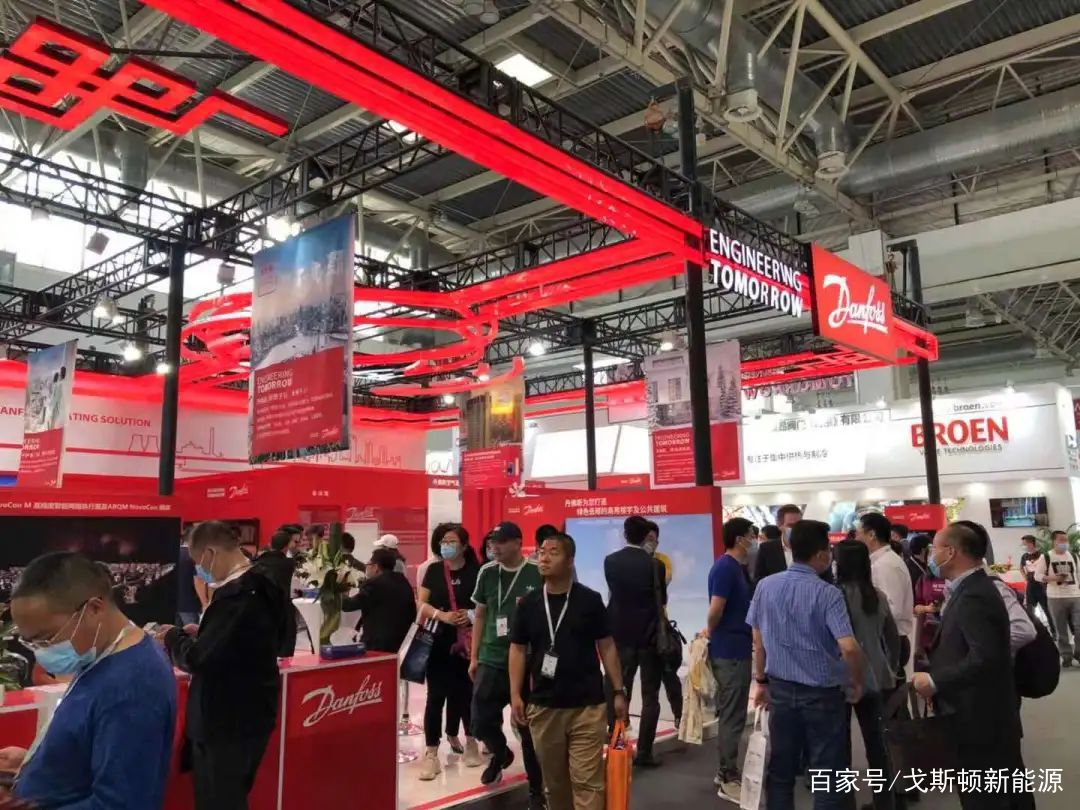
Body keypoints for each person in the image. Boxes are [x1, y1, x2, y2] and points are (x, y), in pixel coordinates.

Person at [4, 552, 176, 809]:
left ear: (94, 609)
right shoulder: (103, 655)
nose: (41, 652)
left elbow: (120, 804)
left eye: (47, 638)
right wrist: (37, 760)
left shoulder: (132, 686)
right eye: (31, 642)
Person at [159, 520, 292, 809]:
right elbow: (272, 639)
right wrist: (207, 634)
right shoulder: (267, 583)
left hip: (224, 719)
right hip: (255, 711)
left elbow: (198, 659)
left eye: (198, 562)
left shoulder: (236, 596)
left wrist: (172, 637)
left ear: (211, 553)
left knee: (218, 799)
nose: (200, 570)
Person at [912, 523, 1031, 810]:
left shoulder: (975, 593)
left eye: (934, 548)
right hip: (977, 713)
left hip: (980, 716)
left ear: (951, 552)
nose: (931, 555)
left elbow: (985, 657)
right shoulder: (965, 589)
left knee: (988, 796)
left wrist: (936, 681)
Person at [747, 519, 864, 810]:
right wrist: (856, 681)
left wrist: (760, 681)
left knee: (781, 770)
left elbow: (758, 640)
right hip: (822, 694)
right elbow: (849, 646)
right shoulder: (828, 594)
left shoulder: (765, 586)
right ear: (821, 554)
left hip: (780, 690)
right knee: (827, 773)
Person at [510, 533, 628, 810]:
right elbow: (517, 649)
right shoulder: (528, 604)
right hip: (544, 706)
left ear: (570, 560)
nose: (544, 558)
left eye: (553, 552)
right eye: (541, 552)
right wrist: (515, 694)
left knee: (588, 782)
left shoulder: (589, 600)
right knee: (555, 785)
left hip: (587, 706)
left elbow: (607, 646)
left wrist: (618, 690)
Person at [469, 521, 545, 804]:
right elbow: (480, 615)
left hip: (527, 660)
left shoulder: (536, 572)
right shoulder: (487, 572)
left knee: (528, 729)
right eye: (492, 542)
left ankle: (537, 791)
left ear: (517, 543)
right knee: (479, 721)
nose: (494, 547)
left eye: (500, 542)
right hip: (491, 656)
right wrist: (474, 656)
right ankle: (500, 752)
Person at [834, 541, 901, 810]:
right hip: (876, 676)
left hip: (840, 679)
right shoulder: (876, 596)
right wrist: (890, 667)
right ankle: (886, 803)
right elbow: (893, 639)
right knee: (878, 746)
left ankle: (845, 803)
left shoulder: (832, 596)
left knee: (840, 748)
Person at [417, 524, 483, 779]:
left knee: (466, 694)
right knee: (435, 697)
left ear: (464, 545)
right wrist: (441, 615)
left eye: (452, 541)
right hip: (438, 642)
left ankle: (472, 742)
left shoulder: (477, 571)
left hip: (468, 644)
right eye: (444, 541)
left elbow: (486, 605)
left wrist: (470, 615)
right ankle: (431, 753)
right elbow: (421, 604)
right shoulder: (434, 570)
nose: (446, 545)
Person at [603, 514, 667, 767]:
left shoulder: (611, 562)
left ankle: (616, 743)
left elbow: (614, 595)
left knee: (618, 689)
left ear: (625, 534)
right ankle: (646, 752)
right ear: (646, 537)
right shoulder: (655, 565)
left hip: (619, 636)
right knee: (650, 695)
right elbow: (662, 600)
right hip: (650, 637)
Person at [707, 518, 755, 803]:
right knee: (732, 716)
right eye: (751, 535)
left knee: (732, 713)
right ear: (739, 539)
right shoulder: (725, 568)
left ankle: (725, 770)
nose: (753, 540)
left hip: (737, 647)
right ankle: (728, 776)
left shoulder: (737, 568)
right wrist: (711, 631)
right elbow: (716, 608)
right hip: (730, 650)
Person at [857, 512, 914, 676]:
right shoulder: (881, 562)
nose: (857, 538)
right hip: (886, 640)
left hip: (889, 641)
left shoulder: (885, 565)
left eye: (859, 533)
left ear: (871, 535)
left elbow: (893, 610)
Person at [645, 520, 684, 731]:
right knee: (644, 682)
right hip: (638, 628)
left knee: (669, 673)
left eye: (654, 539)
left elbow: (664, 580)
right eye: (647, 538)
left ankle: (679, 714)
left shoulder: (662, 560)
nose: (651, 542)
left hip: (660, 626)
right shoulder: (628, 561)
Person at [343, 547, 416, 653]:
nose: (366, 568)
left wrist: (341, 587)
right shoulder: (403, 582)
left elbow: (348, 605)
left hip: (378, 647)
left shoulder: (374, 584)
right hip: (402, 646)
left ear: (376, 567)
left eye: (368, 564)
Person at [1033, 529, 1080, 667]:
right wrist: (1052, 578)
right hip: (1055, 597)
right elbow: (1037, 576)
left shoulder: (1073, 556)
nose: (1065, 542)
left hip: (1075, 595)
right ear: (1054, 541)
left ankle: (1078, 653)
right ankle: (1066, 656)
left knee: (1078, 627)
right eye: (1061, 540)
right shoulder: (1046, 557)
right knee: (1060, 629)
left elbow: (1078, 575)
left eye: (1066, 540)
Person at [753, 504, 802, 581]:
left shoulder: (810, 548)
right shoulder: (766, 549)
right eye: (791, 526)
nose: (796, 529)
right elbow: (758, 579)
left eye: (799, 525)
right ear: (779, 525)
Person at [1020, 534, 1053, 633]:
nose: (1023, 546)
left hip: (1041, 585)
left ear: (1031, 544)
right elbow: (1021, 567)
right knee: (1030, 610)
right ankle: (1035, 631)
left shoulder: (1042, 555)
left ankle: (1054, 631)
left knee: (1047, 609)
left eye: (1025, 544)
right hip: (1031, 585)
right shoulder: (1024, 556)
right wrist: (1025, 576)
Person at [255, 529, 299, 599]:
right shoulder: (290, 564)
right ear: (286, 546)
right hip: (282, 602)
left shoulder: (258, 562)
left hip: (260, 601)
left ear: (271, 544)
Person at [177, 528, 208, 626]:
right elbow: (199, 581)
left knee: (175, 633)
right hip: (190, 604)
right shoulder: (195, 556)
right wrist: (205, 603)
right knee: (192, 632)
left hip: (172, 604)